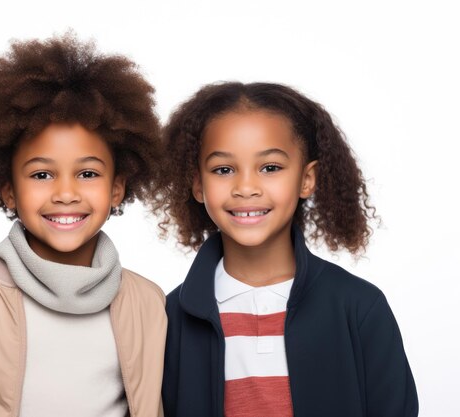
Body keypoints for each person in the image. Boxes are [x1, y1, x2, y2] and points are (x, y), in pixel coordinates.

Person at [0, 35, 166, 417]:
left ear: (117, 189)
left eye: (88, 173)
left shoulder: (148, 303)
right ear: (8, 190)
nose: (65, 193)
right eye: (42, 174)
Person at [155, 82, 418, 417]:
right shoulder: (167, 319)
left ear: (307, 179)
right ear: (197, 184)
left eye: (270, 168)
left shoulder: (359, 307)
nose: (246, 188)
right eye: (223, 169)